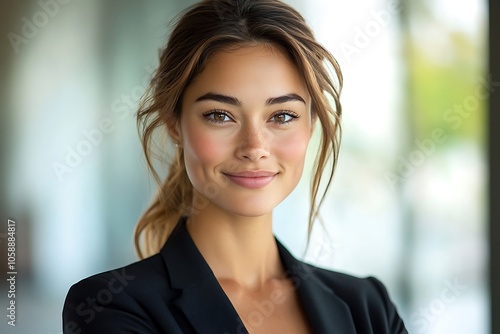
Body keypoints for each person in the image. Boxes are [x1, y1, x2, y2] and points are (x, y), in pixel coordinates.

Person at [63, 0, 408, 333]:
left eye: (282, 116)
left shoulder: (367, 307)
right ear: (173, 123)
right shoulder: (110, 306)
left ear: (311, 125)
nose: (254, 148)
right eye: (220, 115)